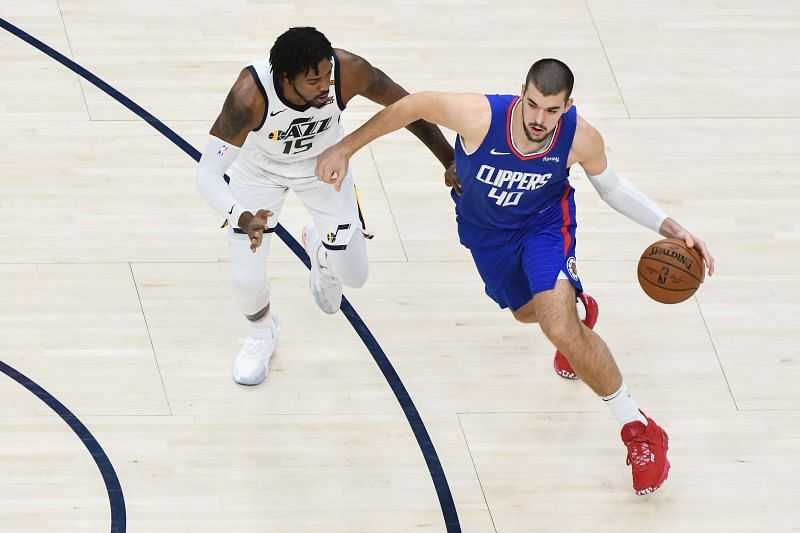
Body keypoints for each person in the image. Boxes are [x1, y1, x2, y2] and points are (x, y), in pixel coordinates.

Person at [316, 58, 715, 495]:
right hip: (486, 234)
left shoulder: (579, 137)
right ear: (521, 93)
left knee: (556, 325)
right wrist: (345, 147)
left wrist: (669, 225)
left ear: (567, 107)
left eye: (551, 110)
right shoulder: (480, 116)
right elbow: (413, 106)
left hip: (545, 225)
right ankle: (579, 311)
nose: (539, 119)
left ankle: (638, 428)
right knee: (529, 315)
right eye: (533, 105)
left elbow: (613, 187)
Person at [196, 27, 454, 386]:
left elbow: (408, 108)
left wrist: (449, 159)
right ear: (286, 78)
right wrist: (241, 215)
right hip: (259, 173)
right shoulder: (249, 95)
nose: (326, 87)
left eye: (328, 76)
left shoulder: (348, 70)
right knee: (245, 278)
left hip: (324, 164)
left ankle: (320, 250)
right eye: (315, 80)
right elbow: (207, 174)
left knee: (355, 277)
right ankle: (261, 333)